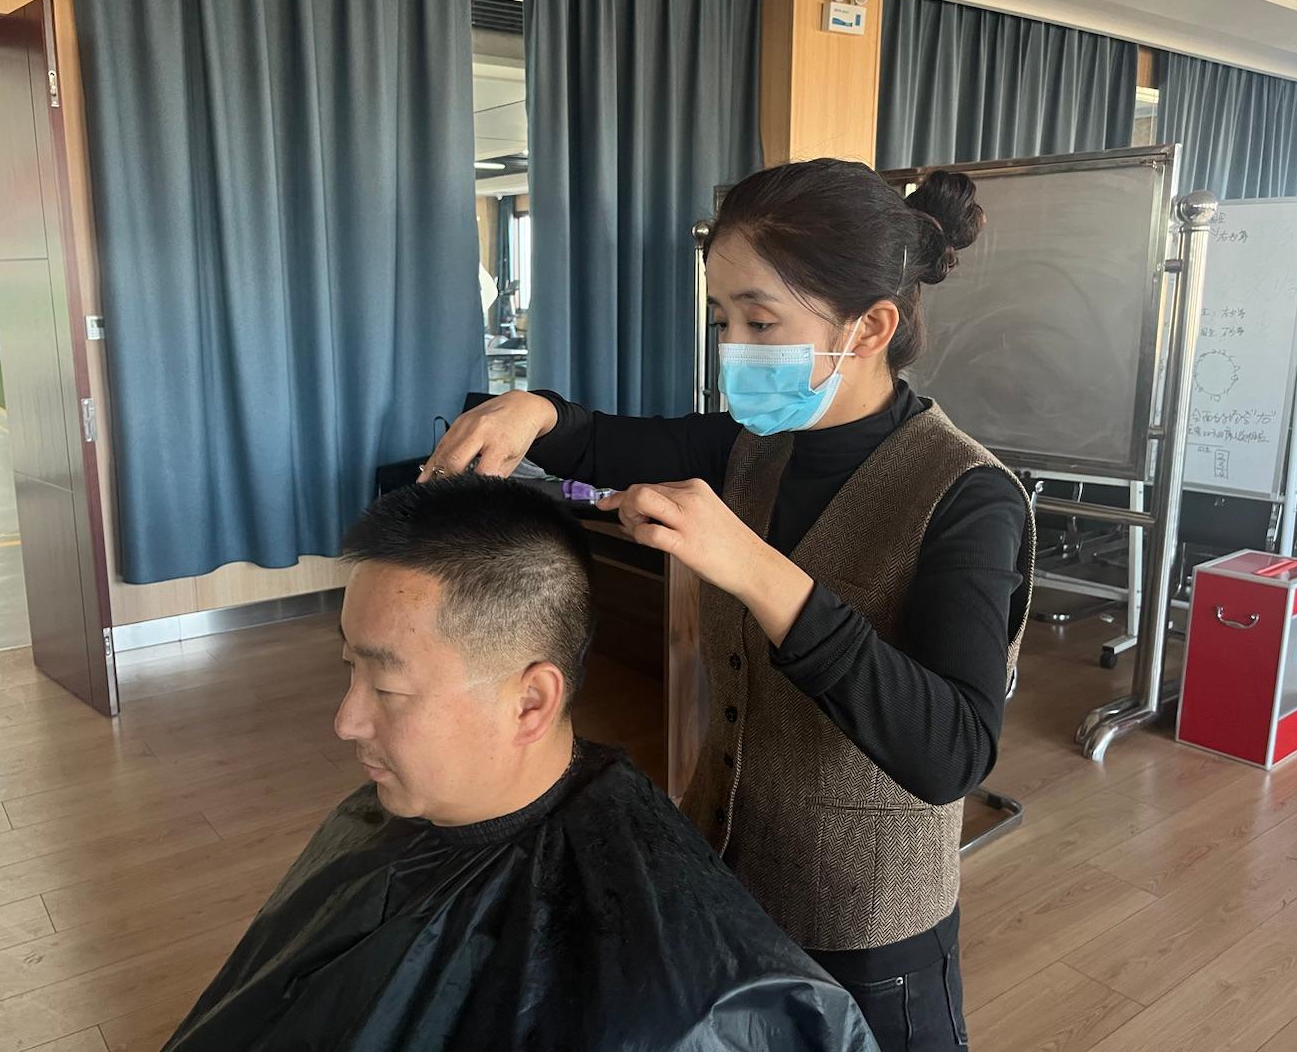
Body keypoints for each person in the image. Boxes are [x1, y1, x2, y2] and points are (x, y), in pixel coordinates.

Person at [419, 159, 1035, 1051]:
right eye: (723, 321)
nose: (735, 347)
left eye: (761, 320)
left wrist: (755, 568)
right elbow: (602, 439)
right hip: (729, 878)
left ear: (870, 327)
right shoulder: (752, 443)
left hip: (867, 931)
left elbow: (953, 752)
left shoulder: (968, 496)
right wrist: (534, 411)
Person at [162, 474, 877, 1052]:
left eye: (387, 687)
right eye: (351, 668)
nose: (345, 721)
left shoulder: (689, 1008)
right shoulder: (383, 818)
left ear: (531, 702)